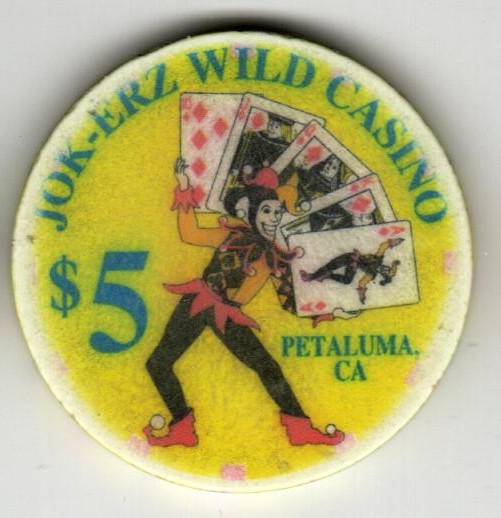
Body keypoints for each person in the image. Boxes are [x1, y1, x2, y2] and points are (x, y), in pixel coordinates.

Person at [143, 159, 345, 448]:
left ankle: (299, 429)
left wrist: (326, 312)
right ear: (249, 211)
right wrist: (184, 188)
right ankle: (182, 428)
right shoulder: (231, 236)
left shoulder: (274, 255)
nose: (274, 218)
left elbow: (291, 296)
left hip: (226, 314)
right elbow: (189, 233)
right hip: (199, 301)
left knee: (268, 368)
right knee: (158, 363)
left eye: (277, 212)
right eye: (266, 211)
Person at [300, 238, 404, 304]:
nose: (384, 269)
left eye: (385, 272)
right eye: (387, 269)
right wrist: (395, 242)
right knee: (329, 266)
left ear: (383, 275)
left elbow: (362, 283)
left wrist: (362, 295)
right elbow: (383, 246)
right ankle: (312, 276)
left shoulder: (372, 274)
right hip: (350, 257)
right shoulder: (378, 259)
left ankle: (327, 276)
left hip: (352, 265)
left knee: (347, 281)